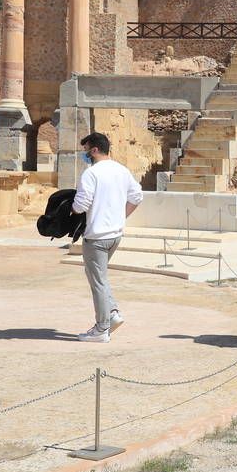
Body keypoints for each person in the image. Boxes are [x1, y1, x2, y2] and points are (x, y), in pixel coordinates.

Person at [72, 132, 144, 343]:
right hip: (115, 235)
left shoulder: (91, 173)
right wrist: (121, 216)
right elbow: (137, 196)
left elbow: (80, 205)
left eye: (86, 151)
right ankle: (112, 314)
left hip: (96, 236)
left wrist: (71, 210)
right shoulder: (122, 170)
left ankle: (102, 328)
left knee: (97, 282)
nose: (85, 155)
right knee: (99, 277)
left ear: (94, 150)